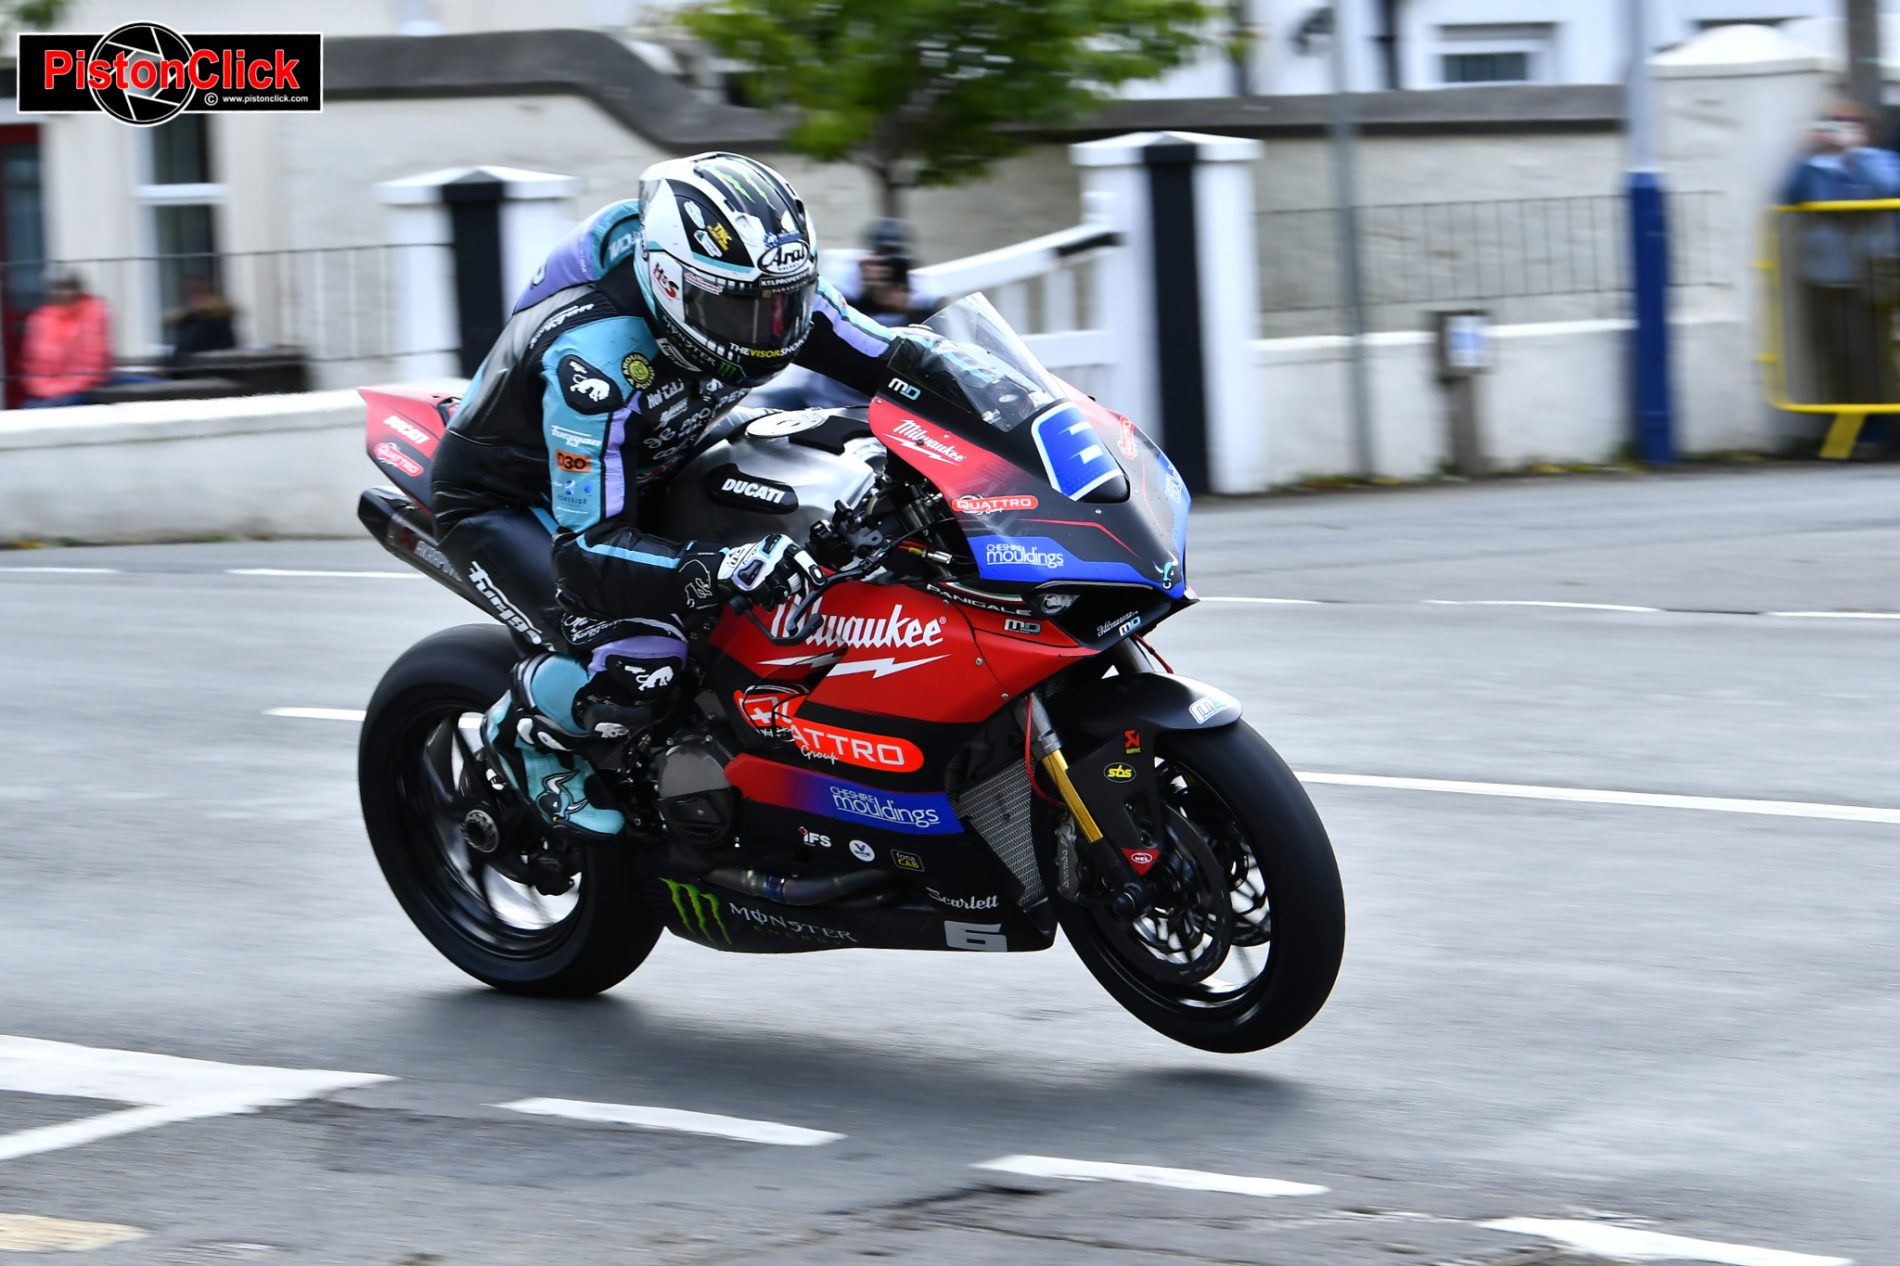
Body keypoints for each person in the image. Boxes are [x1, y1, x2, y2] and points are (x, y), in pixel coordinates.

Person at [432, 152, 902, 841]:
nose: (769, 331)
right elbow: (588, 555)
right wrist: (719, 568)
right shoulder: (597, 358)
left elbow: (895, 355)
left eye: (784, 305)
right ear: (671, 285)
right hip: (516, 503)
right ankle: (524, 730)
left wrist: (1029, 408)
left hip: (654, 458)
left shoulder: (764, 285)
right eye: (741, 311)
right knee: (645, 658)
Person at [1780, 102, 1900, 406]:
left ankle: (1879, 429)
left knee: (1875, 355)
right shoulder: (1815, 166)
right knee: (1839, 354)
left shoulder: (1880, 160)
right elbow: (1796, 194)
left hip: (1873, 274)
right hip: (1830, 276)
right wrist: (1814, 153)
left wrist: (1856, 153)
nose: (1842, 129)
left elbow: (1887, 186)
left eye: (1851, 123)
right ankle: (1848, 428)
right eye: (1835, 123)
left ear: (1866, 130)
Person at [20, 272, 112, 407]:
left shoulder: (93, 313)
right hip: (47, 392)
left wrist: (66, 389)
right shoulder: (40, 318)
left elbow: (93, 359)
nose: (62, 293)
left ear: (78, 290)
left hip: (82, 389)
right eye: (57, 288)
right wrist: (45, 389)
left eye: (67, 288)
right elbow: (33, 362)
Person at [165, 275, 237, 372]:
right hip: (183, 373)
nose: (196, 297)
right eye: (193, 293)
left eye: (200, 292)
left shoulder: (215, 323)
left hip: (199, 374)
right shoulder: (189, 321)